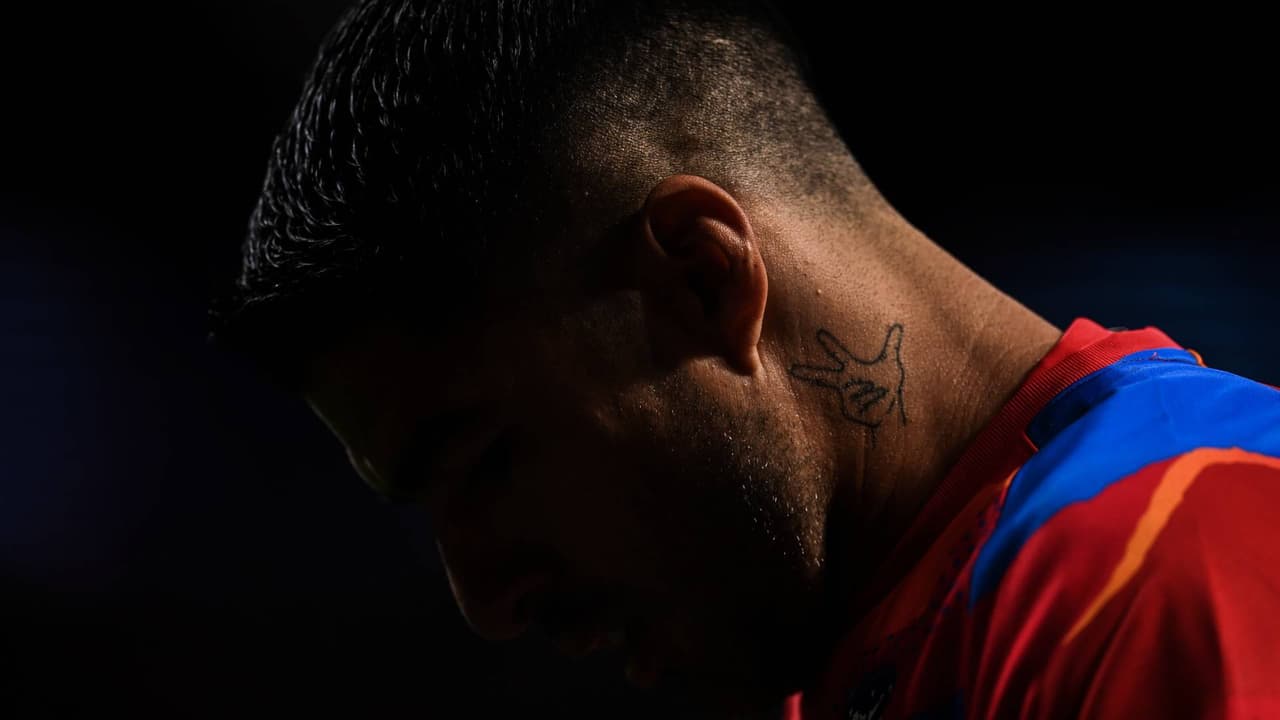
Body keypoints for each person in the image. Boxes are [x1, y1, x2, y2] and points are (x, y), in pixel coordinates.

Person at [208, 1, 1280, 717]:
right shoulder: (879, 652)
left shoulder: (1170, 569)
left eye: (483, 463)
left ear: (702, 278)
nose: (484, 600)